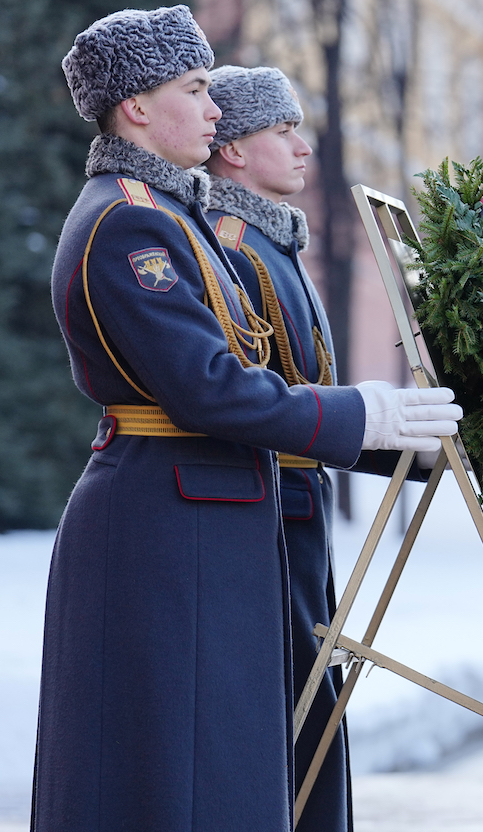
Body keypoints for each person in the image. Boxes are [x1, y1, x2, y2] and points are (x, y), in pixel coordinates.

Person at [37, 6, 461, 832]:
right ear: (137, 107)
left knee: (218, 773)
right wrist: (362, 415)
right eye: (195, 89)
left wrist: (386, 429)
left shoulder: (168, 212)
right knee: (170, 779)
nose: (213, 108)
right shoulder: (129, 221)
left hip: (202, 518)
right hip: (165, 523)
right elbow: (210, 389)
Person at [201, 64, 372, 831]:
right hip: (272, 512)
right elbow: (258, 395)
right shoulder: (236, 248)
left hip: (300, 509)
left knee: (315, 703)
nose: (302, 146)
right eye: (282, 130)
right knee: (297, 706)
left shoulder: (273, 244)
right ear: (232, 150)